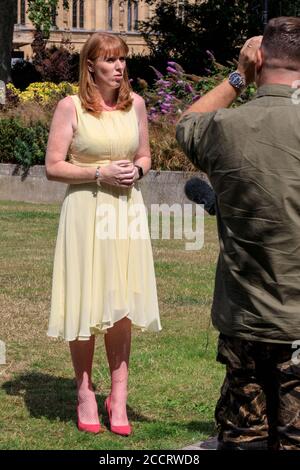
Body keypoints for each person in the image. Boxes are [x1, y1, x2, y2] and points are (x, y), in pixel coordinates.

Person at [176, 17, 300, 450]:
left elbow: (187, 122)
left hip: (245, 321)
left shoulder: (224, 129)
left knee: (244, 440)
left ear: (259, 56)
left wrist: (237, 76)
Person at [46, 32, 161, 436]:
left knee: (122, 304)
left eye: (123, 59)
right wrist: (99, 172)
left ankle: (119, 396)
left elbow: (145, 154)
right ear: (91, 65)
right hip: (85, 211)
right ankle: (84, 393)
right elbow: (53, 166)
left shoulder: (137, 106)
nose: (119, 67)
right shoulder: (70, 107)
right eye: (110, 60)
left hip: (126, 212)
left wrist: (139, 170)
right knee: (86, 301)